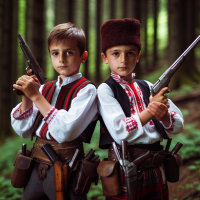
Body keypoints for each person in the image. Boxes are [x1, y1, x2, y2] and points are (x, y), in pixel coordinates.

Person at [97, 18, 184, 200]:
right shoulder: (105, 89)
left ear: (138, 56)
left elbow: (178, 125)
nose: (123, 59)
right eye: (115, 53)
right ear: (105, 57)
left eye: (130, 53)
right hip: (125, 168)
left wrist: (165, 115)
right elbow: (121, 131)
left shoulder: (149, 86)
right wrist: (151, 110)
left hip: (155, 169)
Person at [11, 22, 98, 200]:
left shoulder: (87, 90)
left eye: (70, 52)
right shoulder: (44, 89)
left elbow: (66, 130)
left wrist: (36, 96)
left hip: (67, 166)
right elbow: (24, 131)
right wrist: (27, 95)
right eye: (55, 53)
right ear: (50, 56)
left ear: (83, 56)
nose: (62, 59)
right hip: (35, 164)